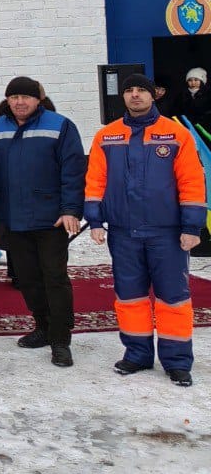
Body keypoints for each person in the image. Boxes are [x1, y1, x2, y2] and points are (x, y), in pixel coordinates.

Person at [86, 73, 206, 387]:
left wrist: (192, 226)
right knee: (130, 297)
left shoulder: (176, 134)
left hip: (166, 233)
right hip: (123, 232)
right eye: (130, 90)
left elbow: (192, 182)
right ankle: (137, 354)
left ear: (154, 95)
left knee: (173, 298)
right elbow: (95, 183)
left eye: (142, 90)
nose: (136, 95)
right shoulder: (106, 137)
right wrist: (95, 221)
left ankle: (177, 361)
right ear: (122, 97)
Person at [0, 76, 86, 368]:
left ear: (38, 100)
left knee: (54, 278)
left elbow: (72, 170)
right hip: (13, 220)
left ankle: (60, 340)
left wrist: (71, 210)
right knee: (27, 280)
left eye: (26, 97)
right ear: (7, 100)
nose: (20, 102)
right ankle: (42, 327)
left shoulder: (60, 126)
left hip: (50, 219)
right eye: (14, 97)